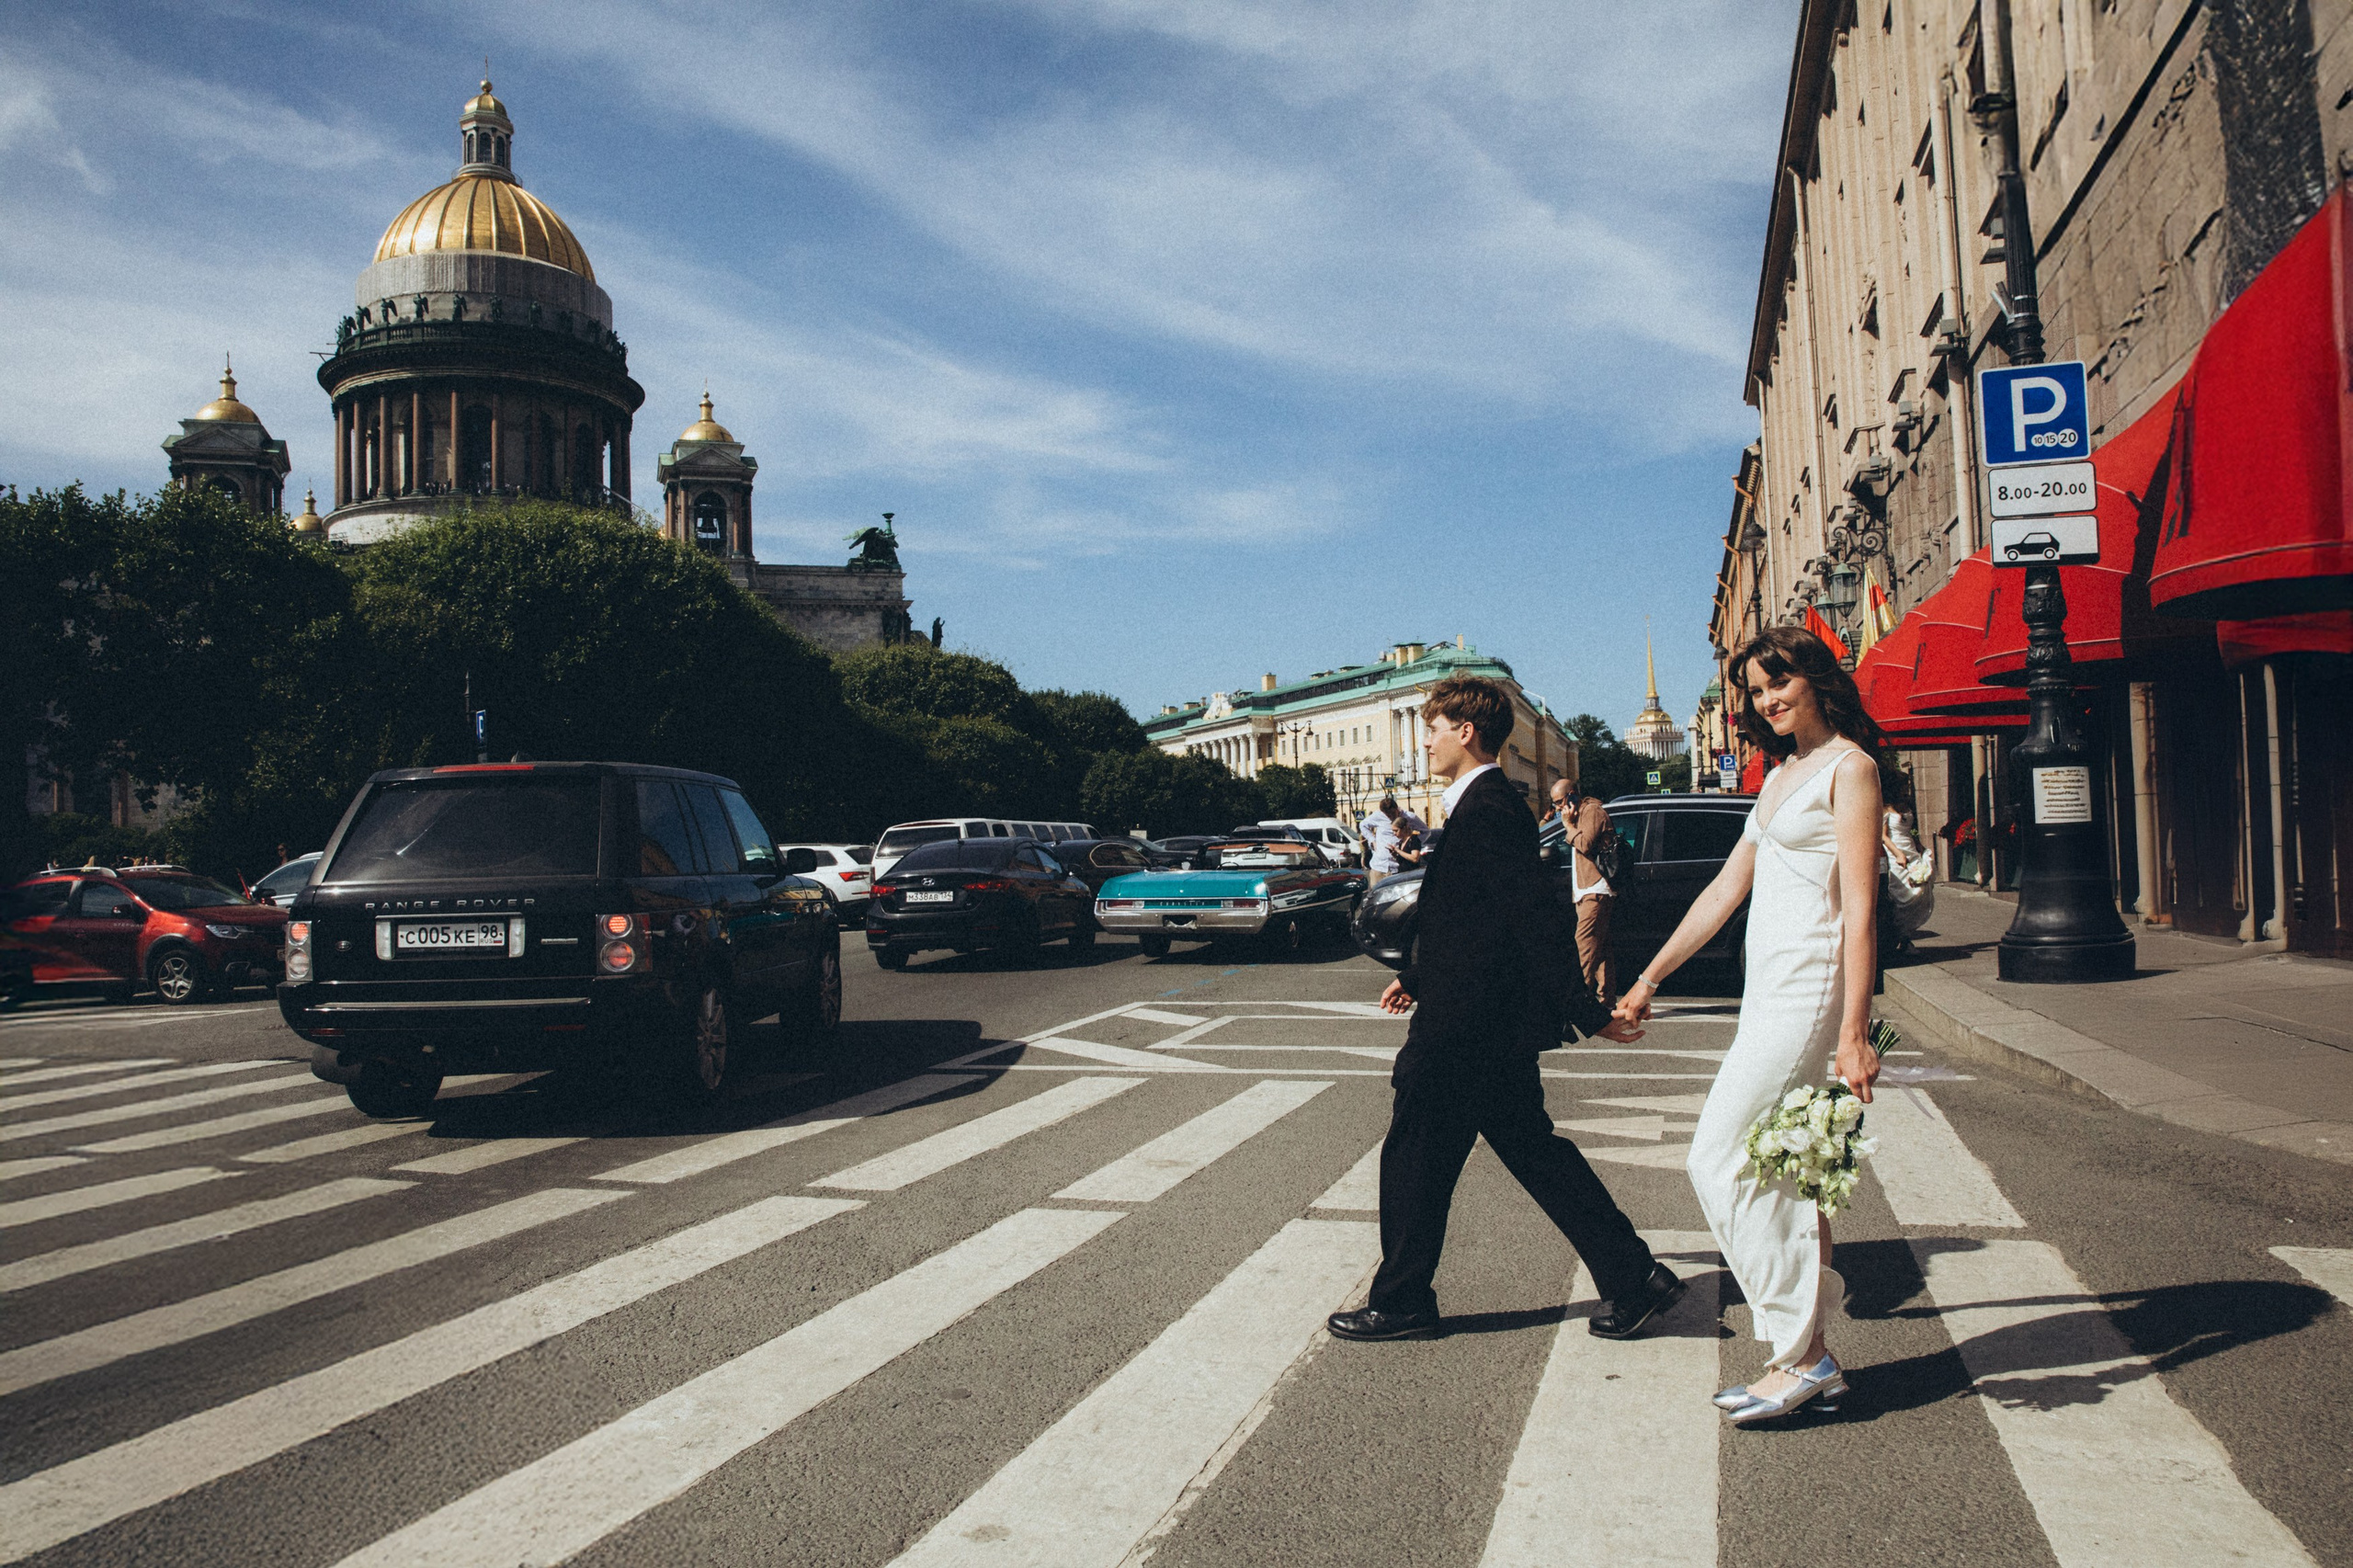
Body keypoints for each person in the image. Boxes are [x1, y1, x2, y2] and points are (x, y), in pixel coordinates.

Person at [1328, 675, 1681, 1344]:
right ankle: (1635, 1278)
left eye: (1434, 730)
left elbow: (1533, 926)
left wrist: (1589, 1012)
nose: (1426, 742)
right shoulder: (1485, 807)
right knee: (1532, 1153)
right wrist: (1418, 978)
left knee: (1414, 1159)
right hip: (1480, 1025)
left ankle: (1402, 1301)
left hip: (1464, 1033)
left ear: (1465, 732)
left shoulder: (1487, 810)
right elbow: (1474, 925)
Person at [1612, 626, 1888, 1425]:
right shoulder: (1780, 776)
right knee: (1792, 1175)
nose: (1768, 700)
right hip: (1766, 989)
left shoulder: (1850, 768)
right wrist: (1649, 978)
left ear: (1816, 680)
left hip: (1810, 985)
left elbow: (1861, 908)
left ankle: (1800, 1354)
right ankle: (1812, 1361)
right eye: (1757, 690)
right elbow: (1724, 891)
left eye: (1780, 682)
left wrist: (1855, 1030)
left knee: (1718, 1158)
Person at [1554, 782, 1618, 1005]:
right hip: (1586, 891)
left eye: (1559, 802)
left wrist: (1567, 825)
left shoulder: (1592, 811)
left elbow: (1585, 844)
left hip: (1596, 890)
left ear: (1572, 795)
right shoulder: (1579, 815)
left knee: (1584, 948)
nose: (1557, 808)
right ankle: (1606, 1002)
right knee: (1600, 950)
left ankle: (1576, 1004)